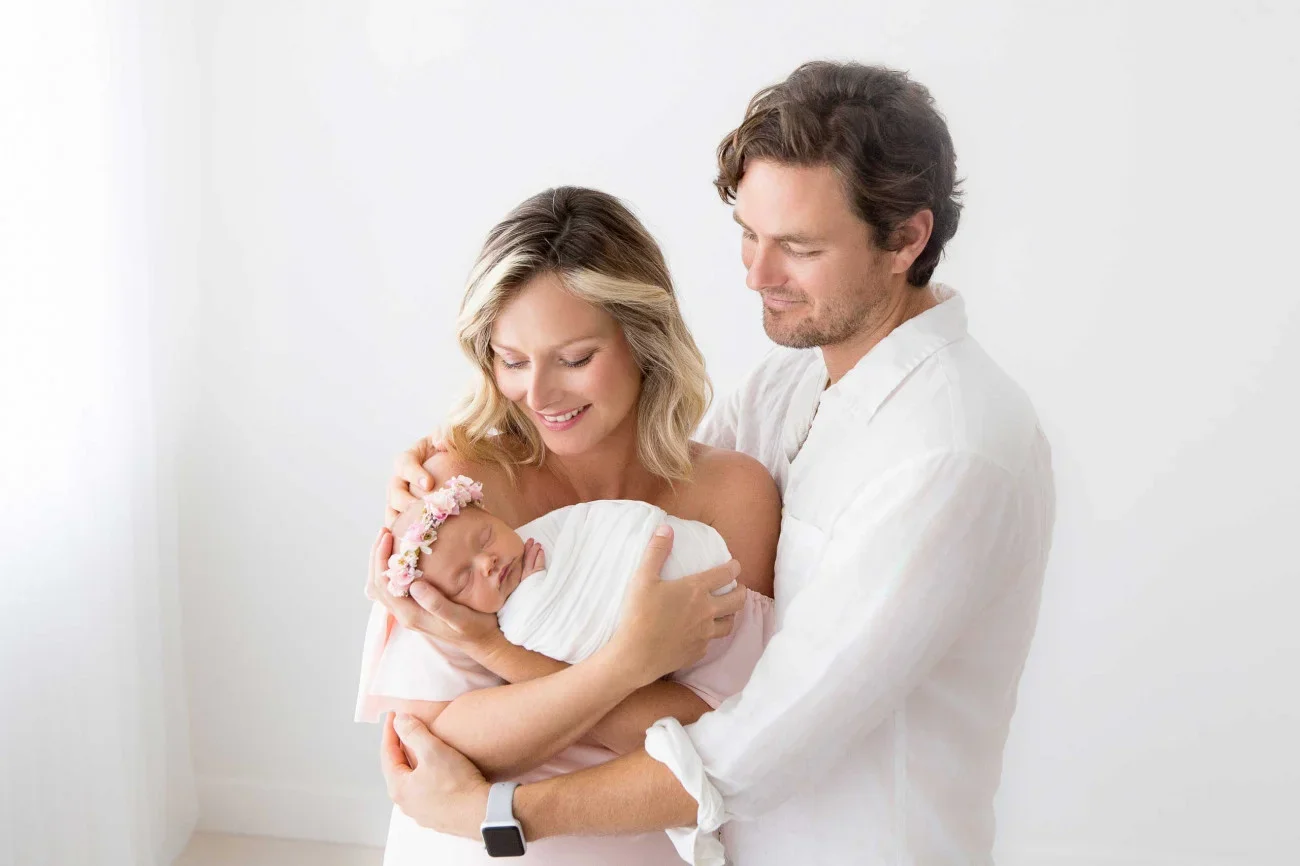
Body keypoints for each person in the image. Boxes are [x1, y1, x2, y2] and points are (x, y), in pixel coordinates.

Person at [377, 60, 1056, 865]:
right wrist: (436, 466)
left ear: (907, 239)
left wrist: (496, 812)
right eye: (748, 234)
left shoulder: (949, 452)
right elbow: (654, 469)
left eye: (797, 246)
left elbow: (752, 747)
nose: (756, 275)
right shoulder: (789, 384)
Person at [362, 185, 782, 865]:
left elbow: (723, 741)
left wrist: (503, 661)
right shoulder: (458, 489)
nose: (538, 395)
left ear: (643, 340)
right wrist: (628, 668)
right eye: (512, 360)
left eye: (575, 359)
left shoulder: (732, 496)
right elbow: (434, 745)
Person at [357, 476, 774, 859]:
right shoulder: (432, 511)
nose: (486, 563)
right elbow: (438, 753)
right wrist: (627, 662)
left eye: (486, 537)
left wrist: (495, 650)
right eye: (464, 580)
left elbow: (712, 737)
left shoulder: (732, 487)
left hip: (614, 838)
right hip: (477, 841)